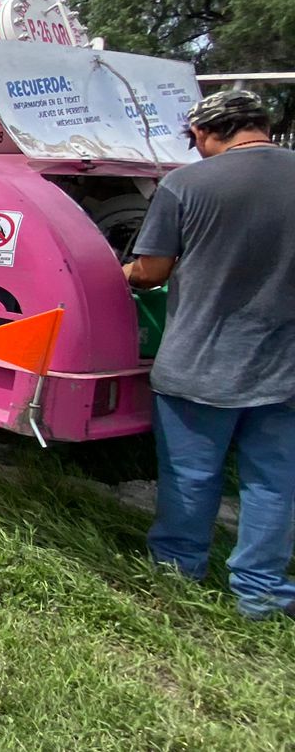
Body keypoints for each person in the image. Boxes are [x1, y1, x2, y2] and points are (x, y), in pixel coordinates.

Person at [124, 89, 295, 621]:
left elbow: (151, 271)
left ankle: (177, 576)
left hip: (199, 365)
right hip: (285, 369)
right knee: (273, 483)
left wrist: (117, 271)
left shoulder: (186, 183)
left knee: (192, 477)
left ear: (203, 133)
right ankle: (262, 592)